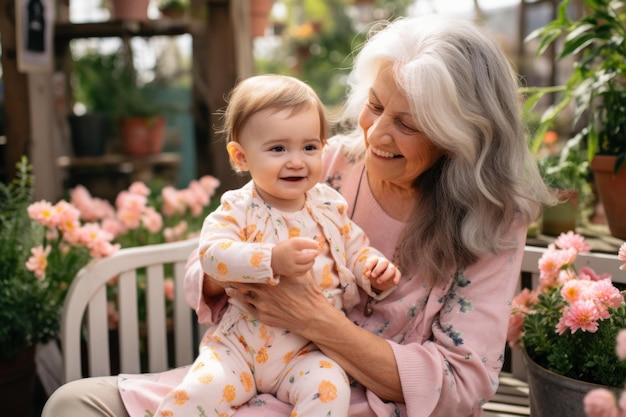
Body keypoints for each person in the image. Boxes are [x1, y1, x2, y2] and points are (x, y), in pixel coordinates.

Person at [42, 14, 555, 417]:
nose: (376, 136)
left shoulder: (493, 217)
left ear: (459, 137)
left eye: (408, 124)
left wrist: (315, 318)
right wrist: (235, 271)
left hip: (355, 402)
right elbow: (218, 250)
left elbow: (463, 386)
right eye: (375, 106)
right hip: (252, 371)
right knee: (73, 404)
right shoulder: (320, 162)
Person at [154, 74, 401, 417]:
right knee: (195, 396)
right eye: (278, 149)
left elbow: (354, 248)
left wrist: (372, 268)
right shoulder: (237, 208)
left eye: (309, 147)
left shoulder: (329, 205)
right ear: (241, 157)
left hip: (305, 352)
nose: (297, 160)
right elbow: (212, 256)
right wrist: (271, 259)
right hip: (237, 347)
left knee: (330, 391)